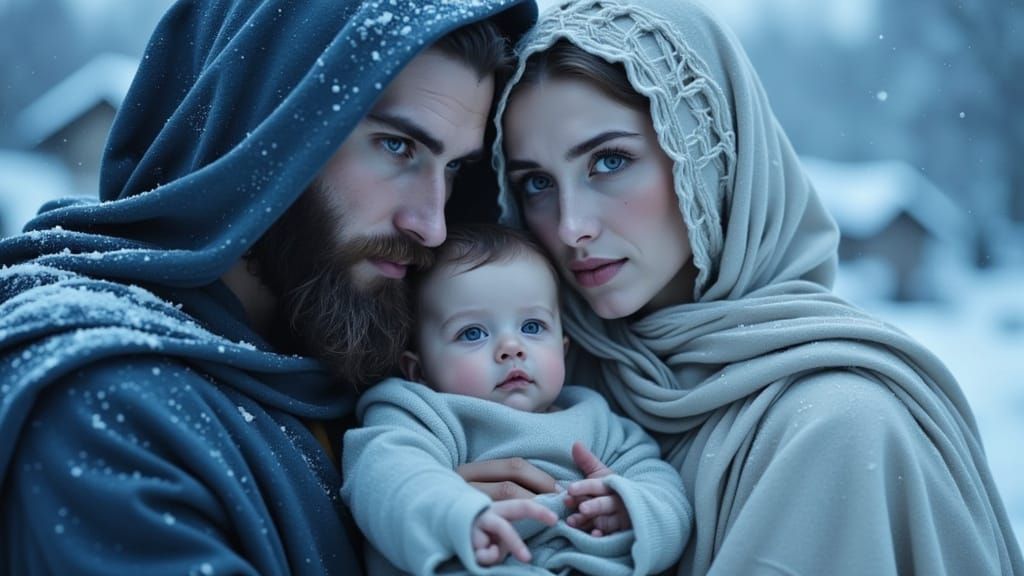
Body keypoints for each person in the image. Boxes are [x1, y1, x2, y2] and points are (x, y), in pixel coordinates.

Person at [468, 0, 1024, 573]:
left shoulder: (838, 425)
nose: (570, 226)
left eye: (608, 161)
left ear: (706, 160)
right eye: (536, 182)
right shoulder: (530, 372)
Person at [0, 1, 536, 574]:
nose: (432, 225)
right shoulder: (107, 413)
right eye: (397, 146)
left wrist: (423, 523)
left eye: (454, 168)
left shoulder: (371, 370)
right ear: (266, 129)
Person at [341, 224, 690, 575]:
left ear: (563, 349)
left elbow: (666, 493)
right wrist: (456, 515)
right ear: (418, 371)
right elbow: (386, 474)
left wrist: (629, 505)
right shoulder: (424, 413)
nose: (511, 348)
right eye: (472, 333)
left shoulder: (599, 422)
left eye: (532, 327)